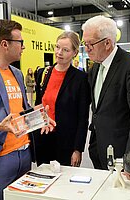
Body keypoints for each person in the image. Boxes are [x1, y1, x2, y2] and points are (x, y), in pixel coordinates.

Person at [0, 19, 55, 200]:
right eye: (20, 42)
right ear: (4, 44)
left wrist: (38, 116)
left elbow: (21, 109)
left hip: (23, 154)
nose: (23, 47)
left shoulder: (17, 74)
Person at [82, 15, 130, 180]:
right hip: (98, 150)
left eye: (90, 44)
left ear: (107, 43)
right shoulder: (95, 68)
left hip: (122, 154)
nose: (87, 48)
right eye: (85, 44)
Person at [34, 31, 91, 167]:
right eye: (57, 47)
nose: (59, 52)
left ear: (74, 53)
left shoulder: (80, 79)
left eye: (65, 50)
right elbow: (37, 105)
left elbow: (82, 117)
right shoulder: (43, 73)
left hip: (66, 142)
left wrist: (78, 149)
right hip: (43, 137)